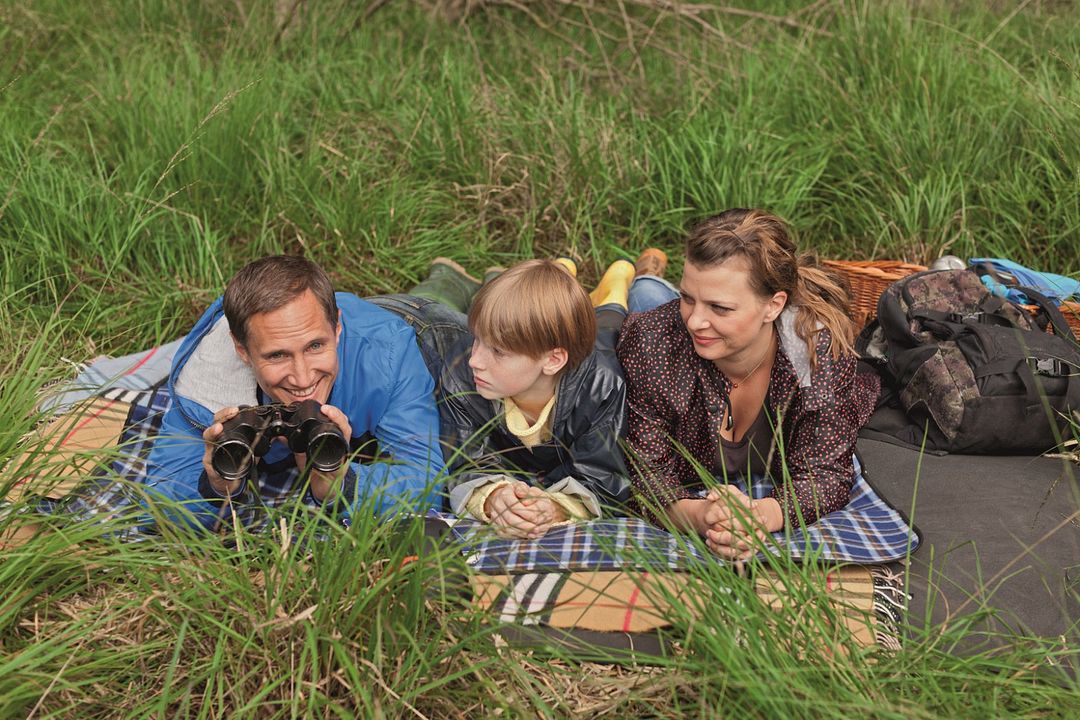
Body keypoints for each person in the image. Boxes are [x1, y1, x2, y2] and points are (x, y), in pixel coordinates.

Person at [616, 209, 880, 560]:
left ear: (773, 306)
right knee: (642, 299)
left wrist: (758, 517)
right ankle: (637, 280)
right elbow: (646, 477)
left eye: (720, 308)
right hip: (653, 320)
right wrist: (701, 517)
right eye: (688, 297)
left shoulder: (817, 352)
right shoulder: (650, 341)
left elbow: (825, 473)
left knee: (651, 294)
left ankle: (649, 278)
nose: (695, 320)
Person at [142, 255, 445, 532]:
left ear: (337, 327)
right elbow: (158, 507)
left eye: (315, 346)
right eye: (277, 356)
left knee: (456, 304)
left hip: (422, 323)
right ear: (241, 349)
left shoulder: (388, 353)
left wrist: (340, 484)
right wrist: (217, 486)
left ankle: (447, 277)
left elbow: (428, 483)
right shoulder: (207, 379)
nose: (302, 378)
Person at [372, 256, 648, 539]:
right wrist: (494, 497)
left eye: (499, 352)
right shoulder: (462, 369)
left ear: (553, 360)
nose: (475, 360)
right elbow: (465, 459)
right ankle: (561, 269)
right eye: (477, 339)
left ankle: (615, 283)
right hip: (550, 340)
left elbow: (604, 479)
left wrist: (557, 508)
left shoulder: (603, 386)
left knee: (610, 319)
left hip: (602, 334)